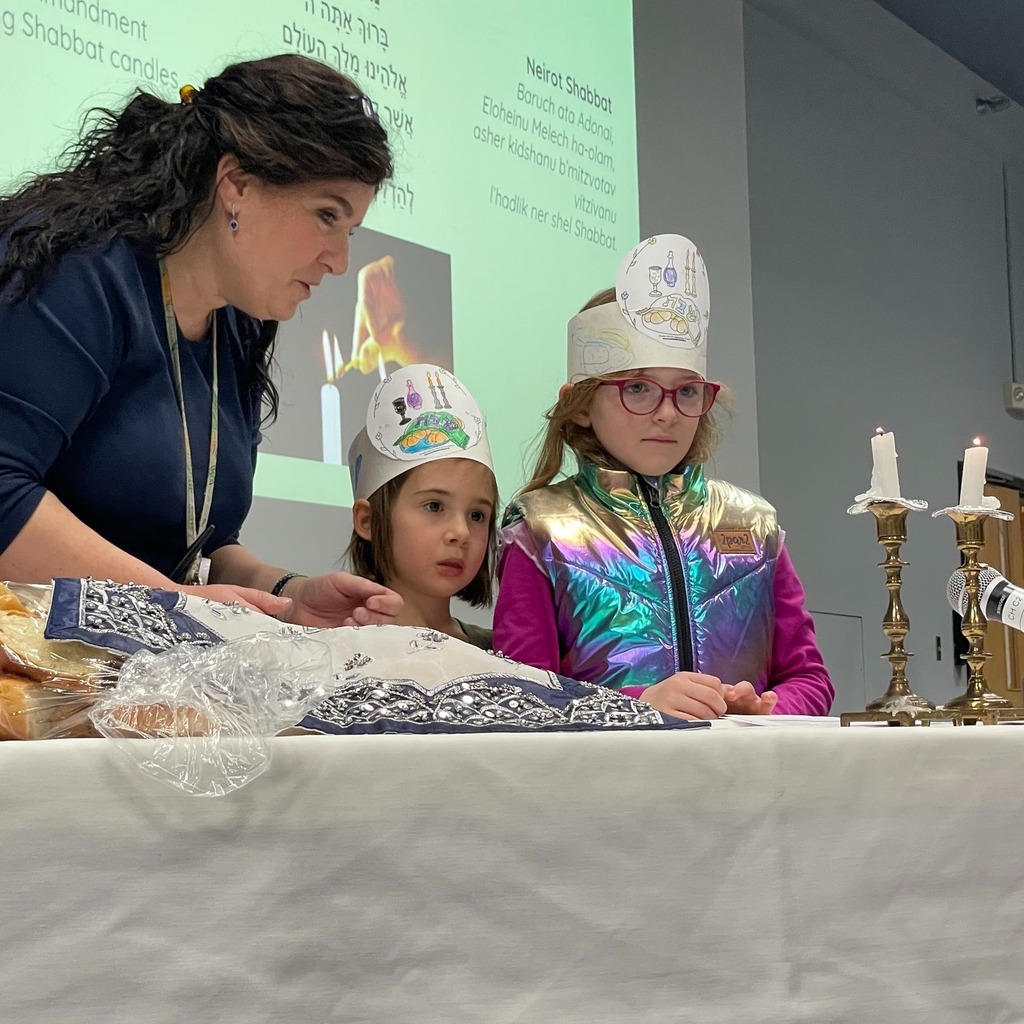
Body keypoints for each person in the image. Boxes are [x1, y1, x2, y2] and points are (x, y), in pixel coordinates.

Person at [0, 54, 401, 626]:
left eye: (350, 230)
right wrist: (172, 604)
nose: (339, 261)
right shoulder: (79, 272)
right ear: (236, 184)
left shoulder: (236, 328)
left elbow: (201, 546)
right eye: (326, 216)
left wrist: (288, 594)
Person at [492, 234, 833, 719]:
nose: (668, 414)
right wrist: (639, 705)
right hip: (611, 789)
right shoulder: (540, 529)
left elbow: (810, 678)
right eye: (637, 388)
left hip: (749, 783)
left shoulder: (756, 525)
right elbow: (519, 696)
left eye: (687, 392)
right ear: (582, 404)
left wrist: (766, 709)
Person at [345, 364, 497, 649]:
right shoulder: (340, 643)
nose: (461, 533)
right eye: (434, 506)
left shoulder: (502, 654)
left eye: (477, 515)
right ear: (367, 520)